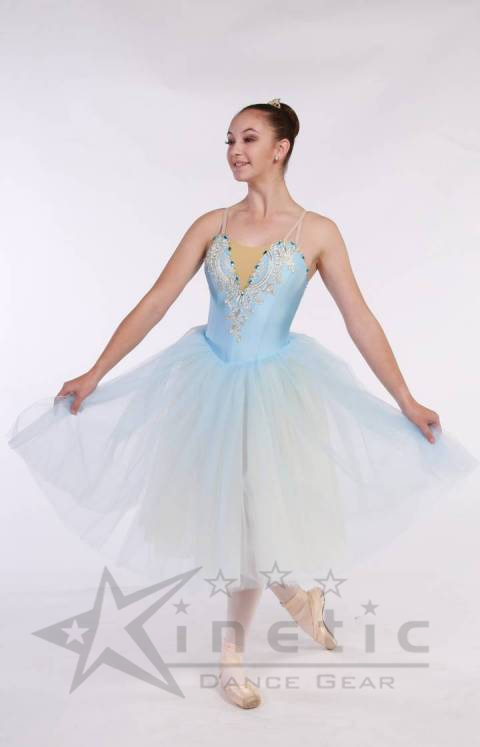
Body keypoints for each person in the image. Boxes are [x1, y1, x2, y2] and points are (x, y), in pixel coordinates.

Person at [7, 98, 479, 710]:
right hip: (208, 384)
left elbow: (359, 318)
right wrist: (98, 371)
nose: (235, 150)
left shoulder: (317, 232)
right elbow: (157, 300)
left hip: (276, 389)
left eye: (249, 139)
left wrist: (406, 398)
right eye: (229, 140)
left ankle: (233, 656)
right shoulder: (212, 224)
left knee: (254, 516)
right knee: (240, 518)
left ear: (281, 148)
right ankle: (296, 598)